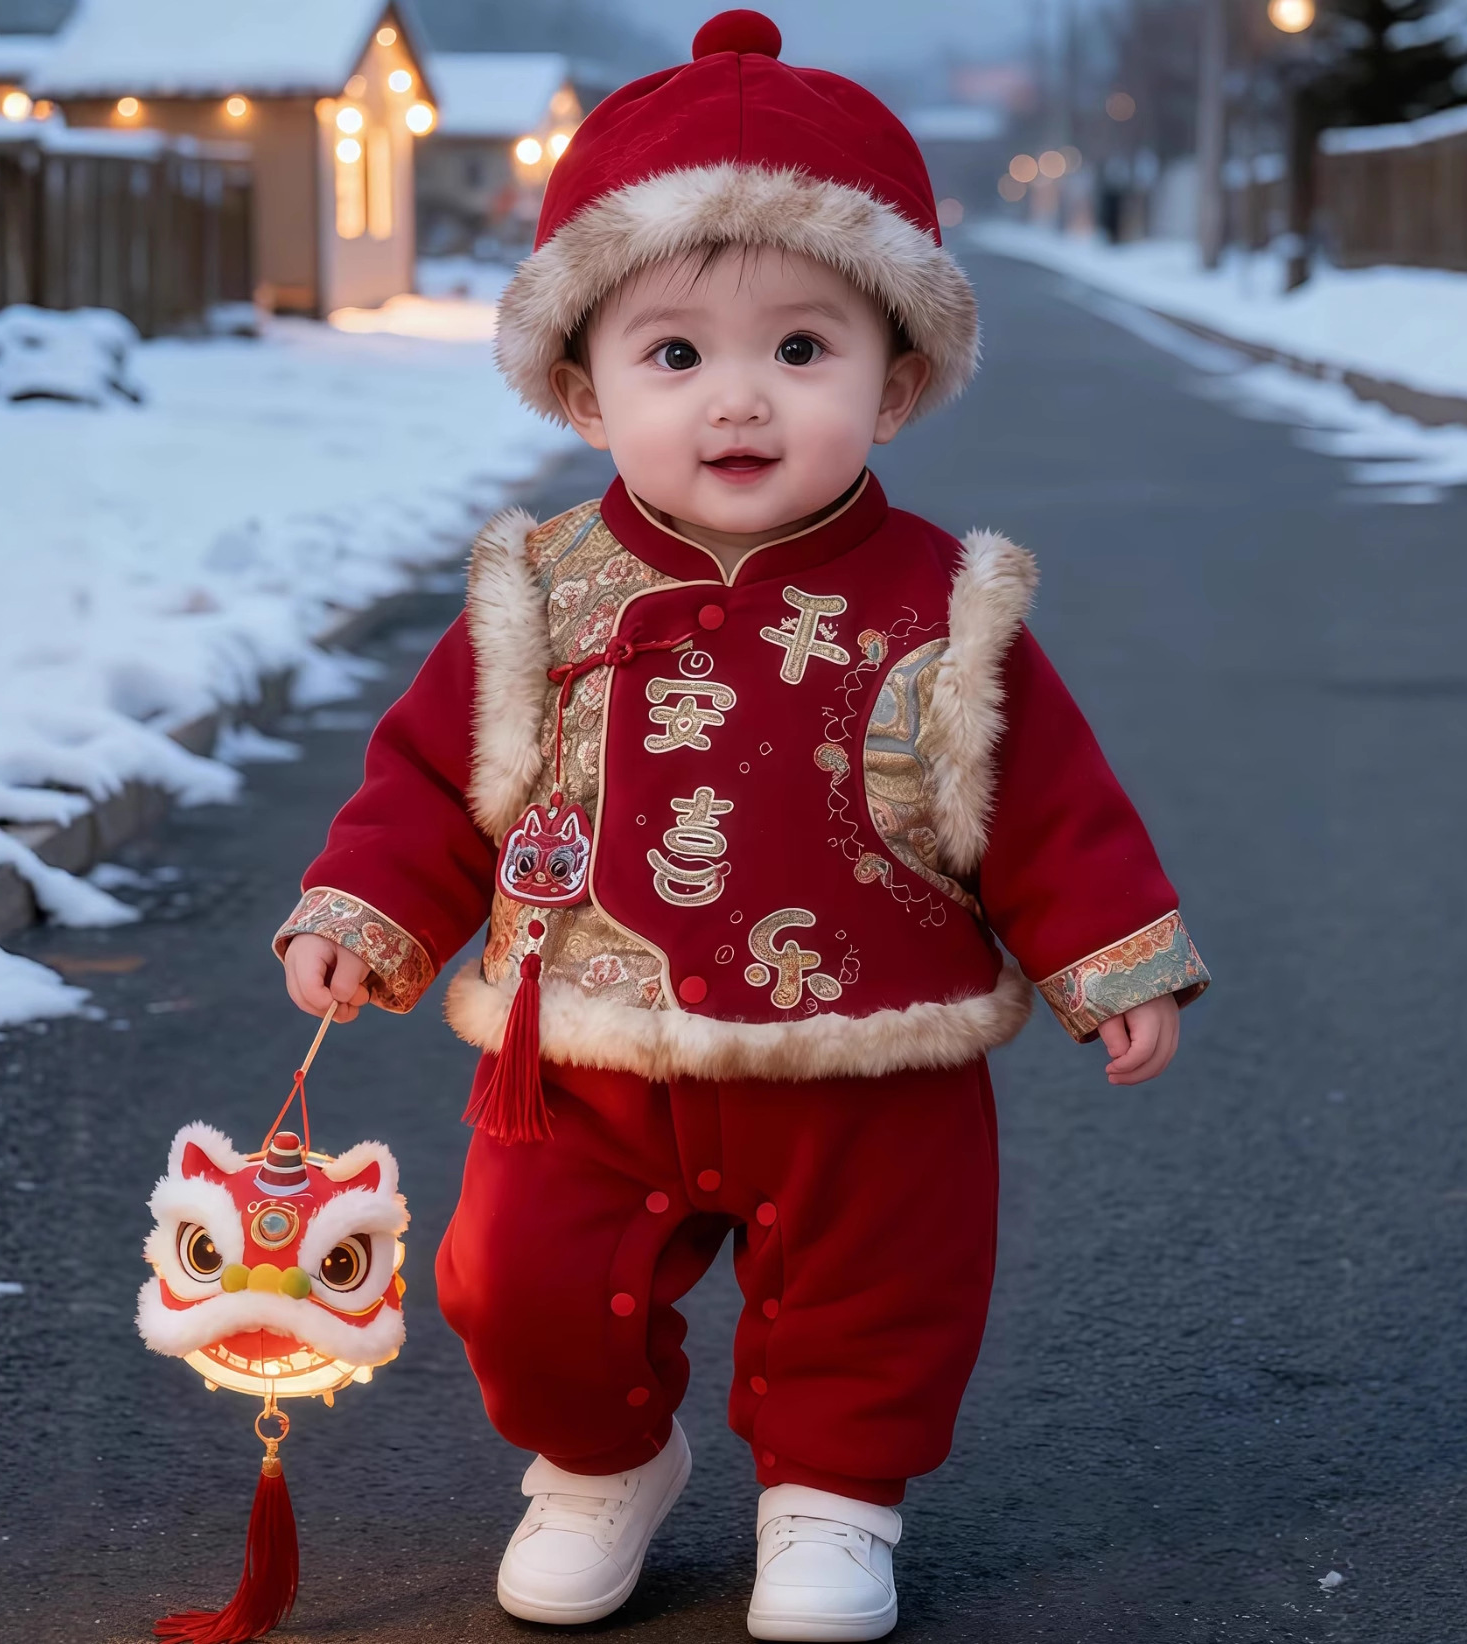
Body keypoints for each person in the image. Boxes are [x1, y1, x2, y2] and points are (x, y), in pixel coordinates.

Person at [275, 11, 1209, 1640]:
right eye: (674, 354)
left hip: (873, 1042)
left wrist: (1109, 956)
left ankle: (832, 1505)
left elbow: (1049, 802)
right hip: (583, 1035)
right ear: (582, 385)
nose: (740, 403)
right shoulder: (543, 587)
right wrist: (366, 913)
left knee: (877, 1293)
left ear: (896, 379)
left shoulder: (942, 601)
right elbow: (435, 778)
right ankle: (597, 1464)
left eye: (802, 349)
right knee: (521, 1282)